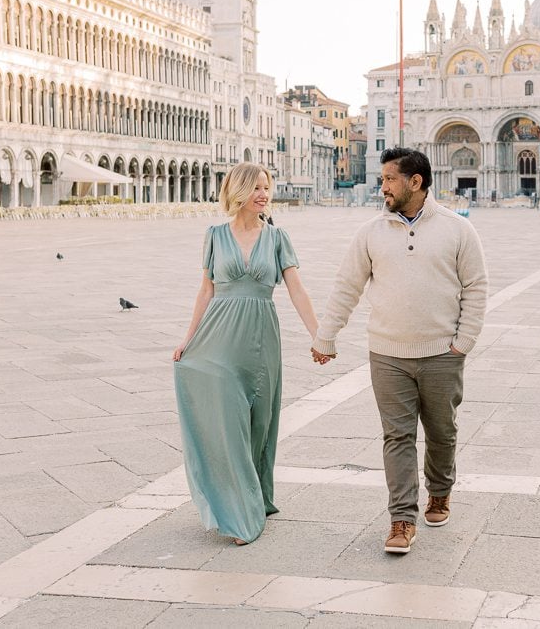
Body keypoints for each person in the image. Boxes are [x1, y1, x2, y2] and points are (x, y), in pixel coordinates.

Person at [311, 147, 488, 555]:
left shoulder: (458, 230)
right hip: (387, 353)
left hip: (443, 353)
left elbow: (476, 288)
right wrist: (327, 335)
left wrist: (464, 342)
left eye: (390, 179)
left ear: (416, 182)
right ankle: (402, 519)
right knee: (398, 437)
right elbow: (346, 286)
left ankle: (440, 492)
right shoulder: (370, 232)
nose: (383, 186)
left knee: (442, 433)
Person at [173, 162, 325, 545]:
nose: (263, 194)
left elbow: (297, 290)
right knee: (229, 424)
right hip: (217, 338)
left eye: (266, 187)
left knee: (259, 423)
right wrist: (187, 339)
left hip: (260, 339)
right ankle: (239, 513)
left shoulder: (277, 237)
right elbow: (205, 290)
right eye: (256, 187)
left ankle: (257, 494)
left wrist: (320, 336)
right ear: (238, 191)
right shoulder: (214, 235)